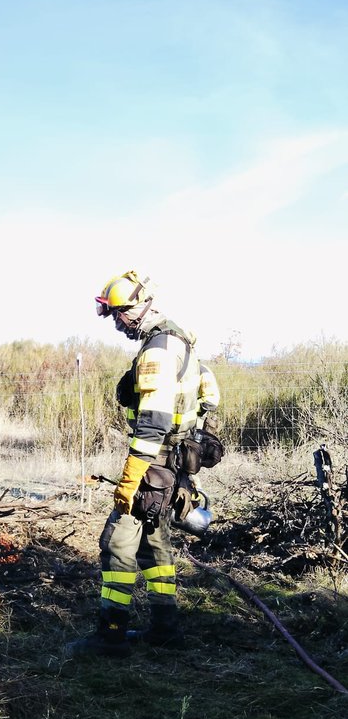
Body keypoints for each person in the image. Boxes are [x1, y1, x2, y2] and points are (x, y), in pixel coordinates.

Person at [70, 271, 220, 658]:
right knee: (155, 544)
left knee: (118, 543)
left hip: (153, 464)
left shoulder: (157, 350)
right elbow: (209, 400)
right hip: (174, 466)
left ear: (141, 305)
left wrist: (129, 480)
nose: (117, 321)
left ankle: (111, 636)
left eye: (120, 313)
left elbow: (152, 422)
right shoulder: (181, 340)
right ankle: (166, 629)